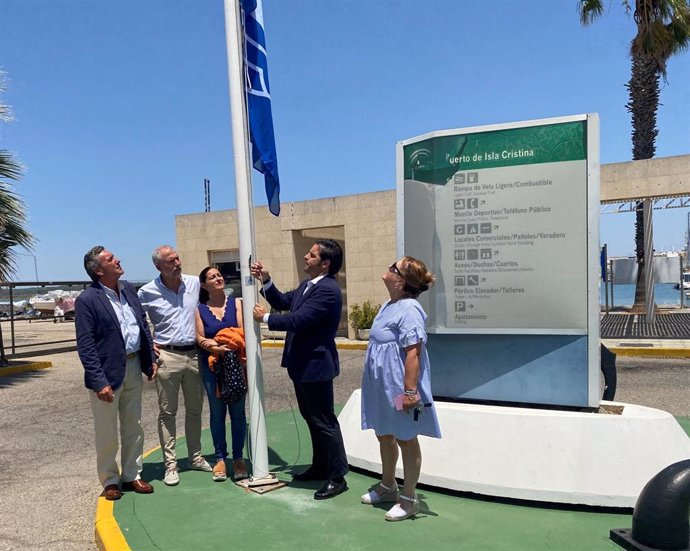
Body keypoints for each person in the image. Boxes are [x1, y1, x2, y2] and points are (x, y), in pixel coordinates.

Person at [250, 239, 349, 500]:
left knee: (324, 420)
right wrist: (266, 280)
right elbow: (284, 301)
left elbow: (300, 319)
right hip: (302, 364)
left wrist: (266, 319)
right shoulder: (308, 285)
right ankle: (320, 466)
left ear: (325, 263)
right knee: (312, 417)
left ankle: (337, 475)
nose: (306, 256)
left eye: (312, 254)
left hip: (316, 365)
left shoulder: (327, 289)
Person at [359, 256, 441, 521]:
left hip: (398, 387)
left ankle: (408, 499)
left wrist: (409, 392)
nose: (388, 267)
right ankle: (388, 486)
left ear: (401, 280)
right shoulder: (388, 305)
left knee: (406, 438)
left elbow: (413, 353)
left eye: (393, 267)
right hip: (381, 385)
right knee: (384, 433)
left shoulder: (409, 309)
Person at [75, 246, 157, 501]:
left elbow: (141, 324)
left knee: (134, 425)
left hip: (133, 366)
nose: (118, 259)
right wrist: (99, 381)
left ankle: (132, 475)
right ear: (99, 270)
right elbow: (86, 344)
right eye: (111, 259)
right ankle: (110, 480)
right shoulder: (87, 300)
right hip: (107, 374)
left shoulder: (129, 289)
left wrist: (150, 359)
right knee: (107, 431)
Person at [137, 246, 212, 486]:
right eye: (171, 261)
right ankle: (171, 464)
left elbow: (213, 303)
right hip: (167, 357)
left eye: (178, 258)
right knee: (167, 413)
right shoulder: (147, 292)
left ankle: (195, 457)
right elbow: (135, 320)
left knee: (195, 410)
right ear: (159, 266)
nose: (177, 263)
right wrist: (147, 346)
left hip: (194, 355)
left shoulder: (193, 283)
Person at [195, 266, 248, 482]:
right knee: (217, 413)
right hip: (212, 367)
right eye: (212, 277)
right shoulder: (199, 309)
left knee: (238, 413)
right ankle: (220, 459)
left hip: (236, 365)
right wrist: (212, 346)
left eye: (219, 275)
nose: (218, 278)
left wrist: (218, 341)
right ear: (204, 285)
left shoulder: (237, 304)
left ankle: (238, 459)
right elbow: (199, 337)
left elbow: (242, 333)